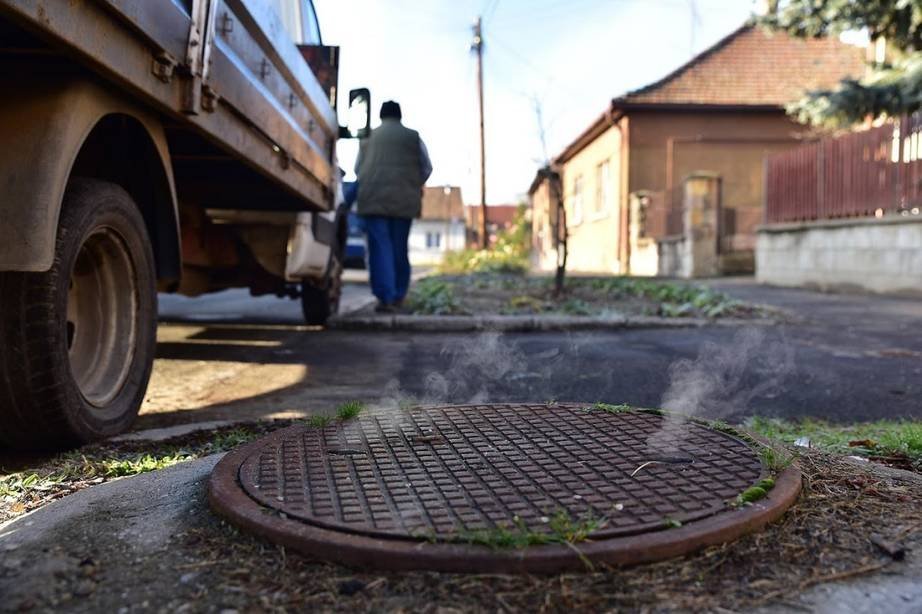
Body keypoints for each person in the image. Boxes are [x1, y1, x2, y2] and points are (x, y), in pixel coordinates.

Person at [355, 100, 432, 312]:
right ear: (400, 116)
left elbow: (358, 169)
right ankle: (398, 295)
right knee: (399, 248)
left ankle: (384, 297)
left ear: (381, 116)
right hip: (404, 202)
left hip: (373, 201)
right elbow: (427, 168)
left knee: (380, 249)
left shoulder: (367, 136)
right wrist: (412, 183)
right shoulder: (413, 137)